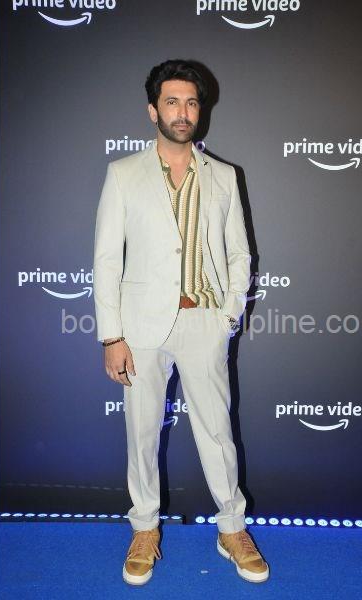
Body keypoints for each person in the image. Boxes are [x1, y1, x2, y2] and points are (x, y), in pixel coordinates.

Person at [93, 59, 269, 586]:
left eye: (191, 102)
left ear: (200, 110)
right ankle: (144, 527)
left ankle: (231, 527)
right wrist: (111, 335)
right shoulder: (123, 174)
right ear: (153, 110)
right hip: (140, 328)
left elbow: (240, 254)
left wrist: (228, 315)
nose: (183, 112)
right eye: (172, 102)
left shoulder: (224, 176)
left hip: (204, 322)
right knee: (142, 433)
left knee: (217, 432)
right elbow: (106, 260)